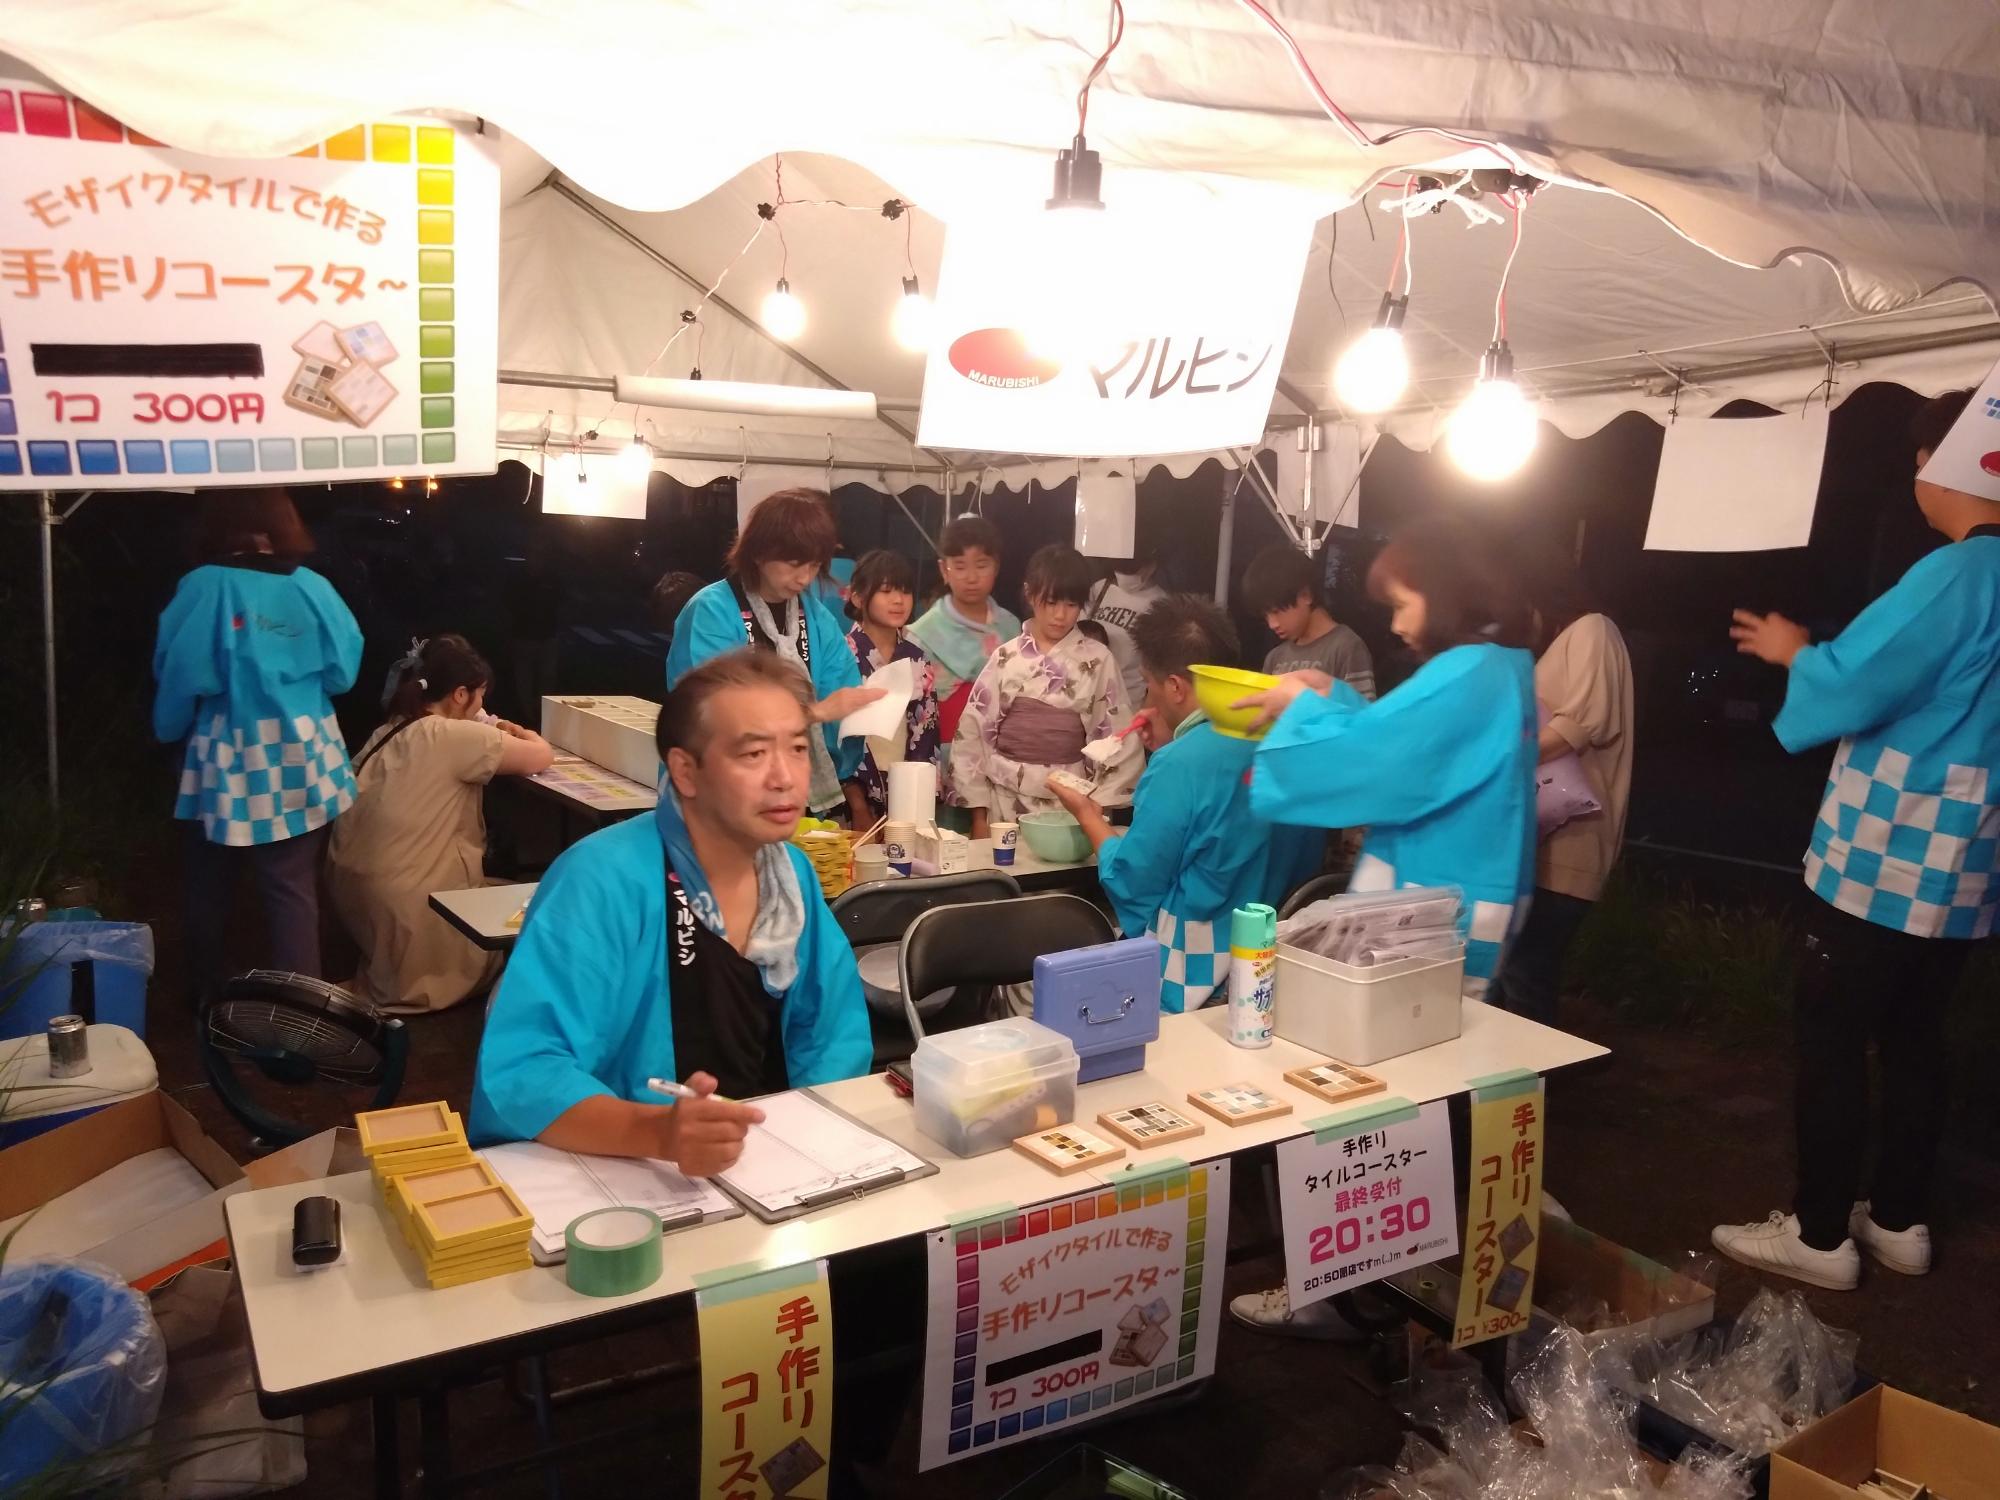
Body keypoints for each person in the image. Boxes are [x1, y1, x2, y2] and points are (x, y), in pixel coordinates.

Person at [1712, 389, 1998, 1291]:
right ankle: (1902, 1220)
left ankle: (1822, 1234)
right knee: (1920, 1040)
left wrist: (1798, 650)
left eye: (1920, 461)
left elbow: (1861, 678)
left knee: (1834, 1040)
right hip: (1975, 866)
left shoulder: (1958, 574)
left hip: (1890, 856)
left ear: (1943, 464)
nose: (1915, 478)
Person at [1227, 519, 1539, 1341]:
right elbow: (1395, 742)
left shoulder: (1469, 670)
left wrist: (1300, 707)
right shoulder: (1501, 668)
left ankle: (1339, 1286)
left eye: (1404, 602)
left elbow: (1378, 763)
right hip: (1461, 907)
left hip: (1424, 919)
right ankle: (1369, 1282)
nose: (1398, 623)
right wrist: (1327, 700)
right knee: (1413, 1100)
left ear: (1448, 592)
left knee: (1359, 1097)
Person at [471, 650, 874, 1169]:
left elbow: (832, 1034)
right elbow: (526, 1067)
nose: (785, 778)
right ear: (684, 770)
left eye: (797, 749)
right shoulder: (601, 878)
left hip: (771, 1162)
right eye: (753, 754)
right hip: (625, 1170)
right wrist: (658, 1132)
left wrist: (812, 1142)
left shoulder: (789, 873)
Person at [1050, 595, 1318, 1011]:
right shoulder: (1294, 745)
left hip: (1195, 981)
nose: (1147, 697)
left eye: (1149, 685)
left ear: (1174, 687)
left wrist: (1087, 814)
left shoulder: (1180, 763)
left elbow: (1134, 881)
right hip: (1280, 972)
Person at [152, 488, 362, 1006]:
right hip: (304, 753)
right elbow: (343, 673)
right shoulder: (313, 587)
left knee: (208, 882)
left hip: (226, 754)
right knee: (291, 889)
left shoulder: (204, 586)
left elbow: (180, 676)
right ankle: (306, 1015)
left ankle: (207, 999)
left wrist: (166, 729)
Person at [326, 635, 554, 1014]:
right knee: (533, 907)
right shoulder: (451, 734)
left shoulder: (392, 728)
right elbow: (541, 755)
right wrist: (518, 729)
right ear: (460, 695)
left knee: (502, 893)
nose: (483, 705)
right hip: (408, 903)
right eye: (480, 695)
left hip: (354, 889)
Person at [665, 489, 882, 818]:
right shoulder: (712, 611)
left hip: (799, 795)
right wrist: (816, 713)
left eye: (813, 565)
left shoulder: (816, 616)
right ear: (757, 552)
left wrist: (864, 711)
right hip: (719, 798)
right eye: (794, 564)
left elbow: (842, 686)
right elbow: (710, 713)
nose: (805, 577)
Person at [1487, 560, 1635, 1025]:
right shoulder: (1564, 643)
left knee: (1525, 974)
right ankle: (1511, 1089)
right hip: (1545, 845)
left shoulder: (1593, 628)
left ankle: (1528, 1090)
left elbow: (1581, 724)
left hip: (1572, 845)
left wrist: (1498, 757)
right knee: (1515, 974)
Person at [952, 543, 1138, 838]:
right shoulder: (1005, 657)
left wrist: (1097, 812)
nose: (1060, 615)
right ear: (1029, 593)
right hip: (1004, 802)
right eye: (1051, 602)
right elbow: (973, 735)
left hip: (1072, 805)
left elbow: (1116, 738)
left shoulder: (1098, 659)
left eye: (1071, 604)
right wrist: (979, 817)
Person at [841, 549, 941, 827]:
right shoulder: (841, 654)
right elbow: (833, 735)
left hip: (906, 787)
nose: (899, 600)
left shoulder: (918, 659)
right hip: (851, 791)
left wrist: (915, 793)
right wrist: (857, 803)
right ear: (858, 597)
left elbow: (926, 734)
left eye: (905, 591)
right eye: (886, 591)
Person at [906, 514, 1021, 750]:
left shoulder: (1012, 627)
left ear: (996, 566)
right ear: (943, 570)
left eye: (981, 565)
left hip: (1003, 753)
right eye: (959, 566)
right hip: (940, 753)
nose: (971, 577)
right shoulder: (921, 634)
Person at [1242, 542, 1377, 699]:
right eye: (1266, 616)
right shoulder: (1275, 658)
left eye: (1276, 611)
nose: (1273, 624)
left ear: (1306, 595)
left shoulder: (1347, 647)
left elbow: (1363, 716)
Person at [1085, 542, 1171, 711]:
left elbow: (1157, 667)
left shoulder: (1160, 602)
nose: (1127, 576)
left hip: (1129, 701)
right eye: (1122, 569)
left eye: (1133, 569)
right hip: (1088, 693)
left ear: (1151, 565)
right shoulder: (1100, 588)